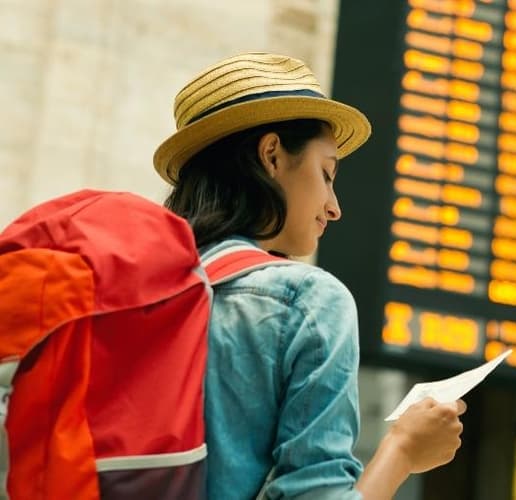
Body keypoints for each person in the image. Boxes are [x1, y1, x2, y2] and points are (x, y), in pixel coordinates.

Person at [152, 52, 466, 500]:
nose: (334, 208)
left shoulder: (134, 292)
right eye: (326, 173)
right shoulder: (306, 300)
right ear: (272, 156)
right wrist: (403, 449)